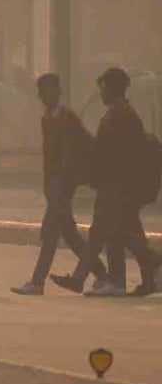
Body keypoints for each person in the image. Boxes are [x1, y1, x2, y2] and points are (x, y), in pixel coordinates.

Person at [52, 67, 161, 297]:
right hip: (113, 185)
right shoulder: (117, 114)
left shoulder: (124, 116)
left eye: (103, 87)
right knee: (124, 234)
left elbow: (121, 156)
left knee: (102, 232)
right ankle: (137, 276)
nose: (101, 92)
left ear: (112, 88)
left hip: (118, 187)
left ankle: (88, 279)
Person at [12, 73, 97, 294]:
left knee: (50, 234)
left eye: (48, 90)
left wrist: (69, 177)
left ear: (58, 91)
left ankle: (37, 282)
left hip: (64, 183)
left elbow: (82, 146)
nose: (44, 95)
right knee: (70, 235)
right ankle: (103, 274)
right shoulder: (47, 118)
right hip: (53, 184)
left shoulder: (66, 117)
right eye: (41, 91)